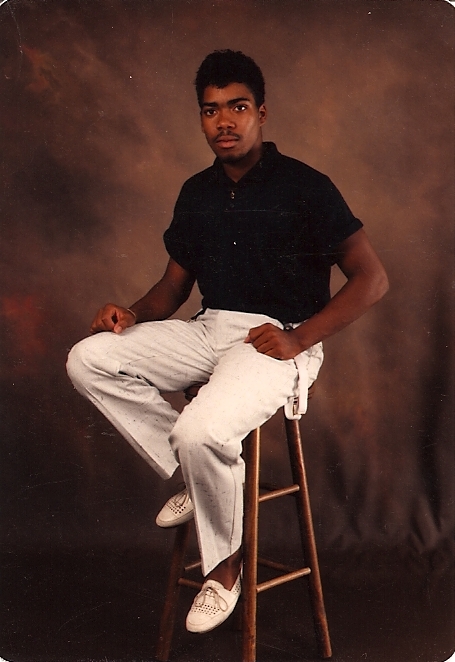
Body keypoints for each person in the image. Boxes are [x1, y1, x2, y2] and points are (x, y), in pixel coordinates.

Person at [67, 49, 388, 634]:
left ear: (261, 113)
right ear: (201, 117)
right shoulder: (197, 192)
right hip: (207, 328)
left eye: (237, 107)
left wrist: (298, 338)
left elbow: (373, 278)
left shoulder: (306, 186)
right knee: (88, 358)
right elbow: (173, 288)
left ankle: (224, 568)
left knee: (201, 431)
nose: (224, 121)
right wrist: (129, 314)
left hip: (275, 340)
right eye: (210, 110)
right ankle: (196, 472)